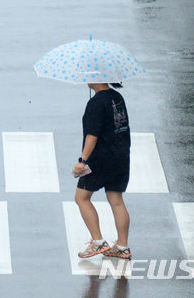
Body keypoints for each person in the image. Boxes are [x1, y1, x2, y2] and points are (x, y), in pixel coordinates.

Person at [74, 82, 132, 259]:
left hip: (100, 159)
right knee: (116, 200)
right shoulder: (117, 98)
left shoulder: (96, 103)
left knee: (81, 198)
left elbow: (92, 135)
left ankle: (98, 241)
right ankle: (122, 246)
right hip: (121, 156)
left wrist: (82, 161)